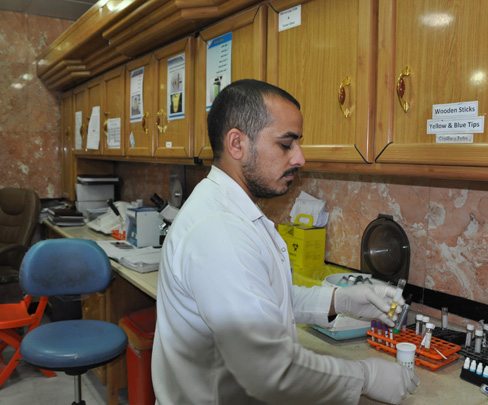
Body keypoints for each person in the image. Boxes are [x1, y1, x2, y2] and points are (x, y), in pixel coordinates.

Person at [152, 79, 419, 404]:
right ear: (237, 144)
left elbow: (267, 299)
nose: (300, 158)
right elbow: (269, 369)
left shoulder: (232, 209)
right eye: (285, 144)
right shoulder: (219, 232)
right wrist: (365, 375)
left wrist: (341, 300)